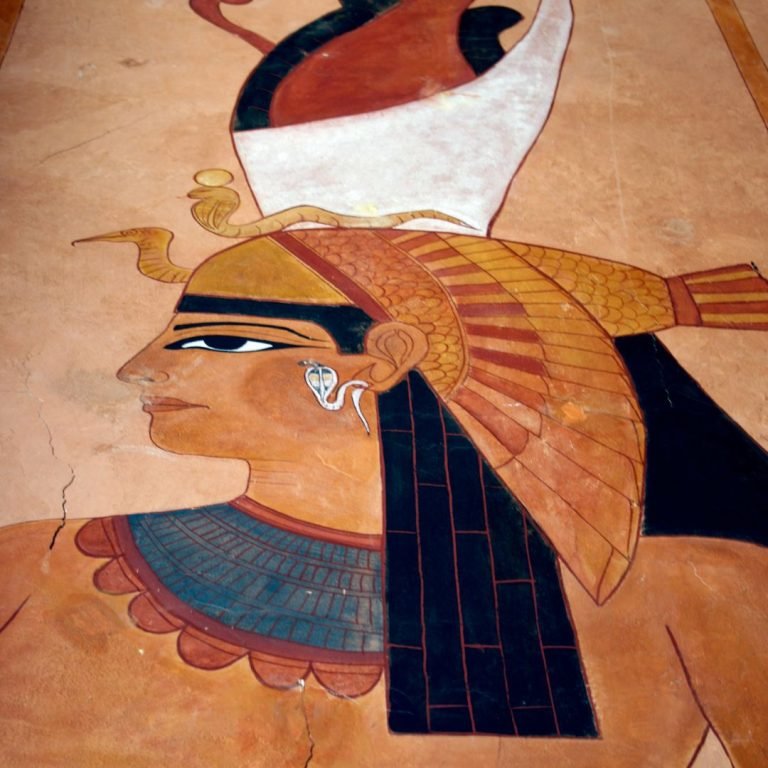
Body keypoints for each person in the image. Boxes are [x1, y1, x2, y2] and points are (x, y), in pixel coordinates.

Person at [1, 223, 766, 767]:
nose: (138, 367)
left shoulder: (690, 595)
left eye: (219, 339)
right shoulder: (29, 566)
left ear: (385, 357)